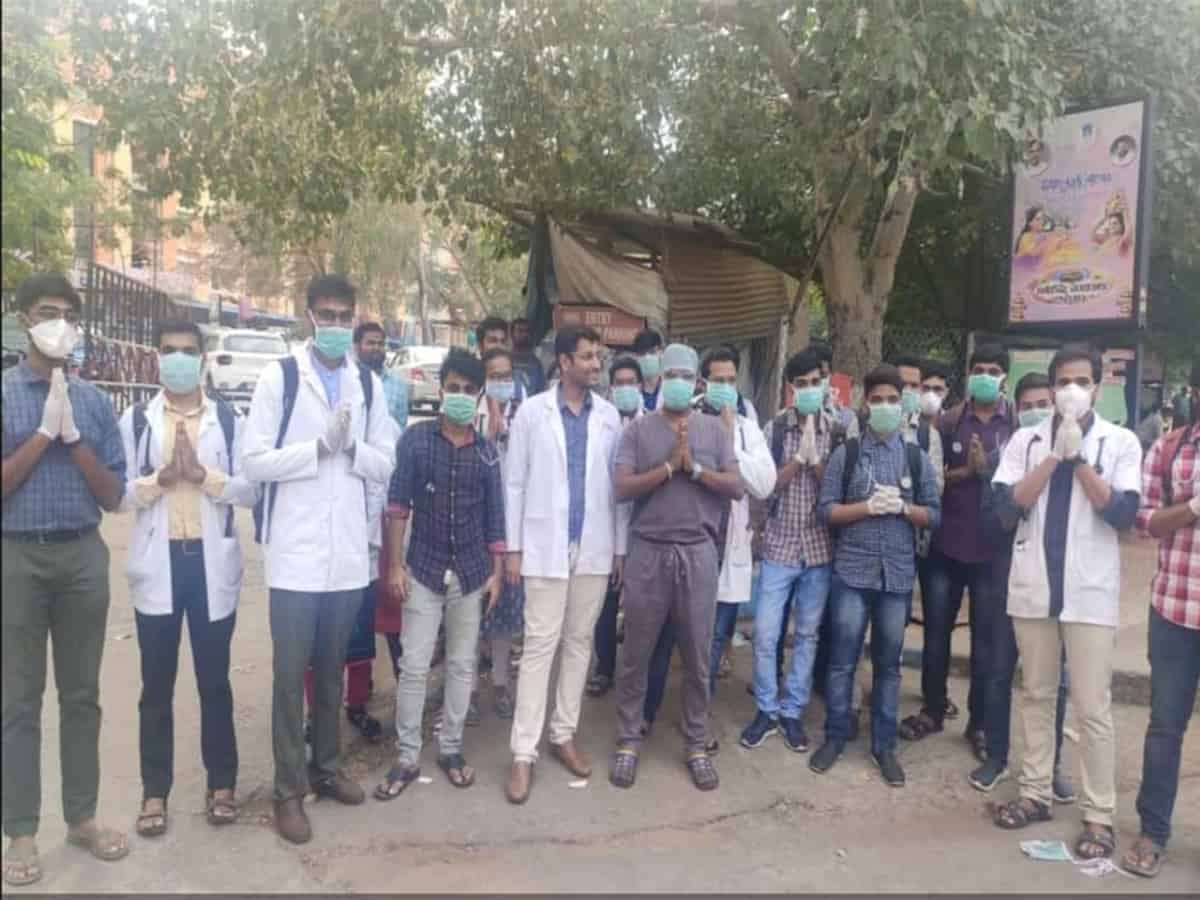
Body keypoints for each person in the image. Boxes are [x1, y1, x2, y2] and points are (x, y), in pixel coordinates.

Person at [241, 274, 396, 844]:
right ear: (308, 316)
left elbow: (385, 462)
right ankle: (288, 791)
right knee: (290, 677)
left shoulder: (368, 384)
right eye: (325, 315)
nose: (334, 325)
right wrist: (316, 449)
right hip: (296, 554)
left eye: (342, 316)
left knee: (333, 669)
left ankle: (326, 769)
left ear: (353, 318)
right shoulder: (280, 377)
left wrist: (350, 446)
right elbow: (254, 461)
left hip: (347, 554)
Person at [990, 344, 1142, 861]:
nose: (1071, 390)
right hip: (1034, 587)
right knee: (1036, 694)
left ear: (1098, 388)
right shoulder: (1026, 440)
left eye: (1082, 381)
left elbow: (1122, 514)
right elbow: (1004, 509)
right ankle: (1034, 792)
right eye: (1063, 381)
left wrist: (1078, 462)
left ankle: (1099, 815)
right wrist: (1055, 453)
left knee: (1093, 707)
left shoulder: (1120, 442)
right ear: (1052, 388)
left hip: (1088, 593)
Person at [2, 274, 128, 887]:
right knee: (17, 701)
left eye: (67, 315)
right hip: (17, 558)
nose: (58, 324)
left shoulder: (96, 402)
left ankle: (81, 817)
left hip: (82, 557)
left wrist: (74, 438)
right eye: (46, 312)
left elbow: (113, 494)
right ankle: (21, 831)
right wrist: (43, 433)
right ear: (24, 319)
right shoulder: (4, 395)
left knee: (82, 697)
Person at [118, 319, 259, 838]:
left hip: (208, 563)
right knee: (156, 686)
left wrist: (206, 478)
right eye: (168, 350)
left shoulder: (229, 419)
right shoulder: (137, 419)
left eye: (187, 351)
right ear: (157, 357)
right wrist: (159, 481)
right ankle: (154, 792)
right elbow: (117, 495)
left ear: (202, 358)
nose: (177, 359)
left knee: (214, 681)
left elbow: (252, 490)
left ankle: (222, 784)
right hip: (159, 563)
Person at [609, 343, 744, 792]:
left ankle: (697, 743)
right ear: (659, 378)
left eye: (687, 376)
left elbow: (736, 486)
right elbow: (621, 487)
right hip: (649, 552)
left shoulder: (715, 429)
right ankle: (629, 740)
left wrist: (697, 470)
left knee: (698, 657)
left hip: (697, 553)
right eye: (672, 375)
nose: (680, 383)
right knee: (637, 653)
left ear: (697, 382)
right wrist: (669, 467)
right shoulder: (639, 430)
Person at [503, 325, 624, 804]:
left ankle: (563, 734)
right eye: (588, 356)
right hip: (543, 545)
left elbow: (617, 489)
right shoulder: (532, 413)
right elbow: (514, 482)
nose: (596, 365)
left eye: (598, 357)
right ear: (564, 362)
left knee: (579, 644)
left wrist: (619, 548)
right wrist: (514, 549)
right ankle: (522, 752)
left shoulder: (609, 417)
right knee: (539, 647)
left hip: (593, 546)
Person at [376, 349, 504, 799]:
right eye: (454, 388)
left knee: (462, 665)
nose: (461, 396)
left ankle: (451, 749)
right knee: (413, 666)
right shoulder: (415, 442)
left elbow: (495, 520)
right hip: (423, 570)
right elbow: (397, 506)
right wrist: (395, 565)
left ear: (480, 395)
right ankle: (407, 756)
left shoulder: (487, 454)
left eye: (469, 390)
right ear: (440, 389)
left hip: (470, 573)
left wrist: (497, 574)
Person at [811, 364, 941, 787]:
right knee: (841, 661)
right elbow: (826, 511)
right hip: (852, 573)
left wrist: (904, 508)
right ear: (865, 404)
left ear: (902, 405)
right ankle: (835, 735)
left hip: (896, 577)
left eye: (892, 400)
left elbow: (934, 515)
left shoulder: (916, 458)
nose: (885, 406)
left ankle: (884, 746)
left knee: (888, 666)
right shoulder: (846, 454)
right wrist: (865, 508)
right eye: (877, 399)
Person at [642, 347, 776, 743]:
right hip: (685, 541)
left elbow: (763, 484)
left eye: (731, 380)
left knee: (710, 645)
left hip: (726, 548)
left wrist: (730, 442)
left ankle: (696, 724)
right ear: (702, 382)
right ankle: (645, 714)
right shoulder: (682, 419)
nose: (724, 387)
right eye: (718, 380)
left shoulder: (747, 427)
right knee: (664, 636)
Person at [900, 344, 1013, 759]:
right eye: (978, 369)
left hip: (992, 552)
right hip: (944, 547)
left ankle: (978, 724)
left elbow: (1020, 482)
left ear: (1004, 378)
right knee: (935, 635)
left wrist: (990, 470)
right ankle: (932, 708)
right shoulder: (948, 423)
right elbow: (932, 478)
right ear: (968, 375)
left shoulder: (1016, 425)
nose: (985, 376)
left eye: (993, 370)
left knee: (986, 643)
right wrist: (970, 471)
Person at [968, 373, 1072, 800]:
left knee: (1050, 682)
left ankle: (1050, 766)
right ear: (1016, 409)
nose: (1036, 411)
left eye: (1043, 403)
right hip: (1006, 578)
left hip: (1054, 582)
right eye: (1027, 405)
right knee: (998, 671)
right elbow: (995, 518)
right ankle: (996, 758)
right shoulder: (1007, 454)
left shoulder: (1074, 455)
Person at [1122, 363, 1198, 879]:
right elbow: (1145, 520)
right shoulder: (1170, 449)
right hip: (1175, 611)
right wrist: (1193, 505)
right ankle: (1153, 832)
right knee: (1166, 727)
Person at [741, 349, 833, 753]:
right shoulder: (774, 429)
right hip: (779, 544)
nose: (809, 389)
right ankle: (766, 709)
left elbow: (840, 490)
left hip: (819, 549)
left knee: (808, 634)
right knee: (765, 633)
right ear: (790, 388)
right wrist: (798, 459)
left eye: (815, 382)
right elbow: (763, 486)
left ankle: (793, 710)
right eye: (801, 384)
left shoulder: (840, 428)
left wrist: (818, 463)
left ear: (824, 383)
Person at [588, 356, 644, 697]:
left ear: (641, 386)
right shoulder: (602, 424)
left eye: (630, 383)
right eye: (619, 383)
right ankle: (604, 668)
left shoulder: (652, 424)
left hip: (644, 530)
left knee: (641, 607)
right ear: (610, 388)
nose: (625, 389)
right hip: (606, 527)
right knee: (606, 604)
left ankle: (635, 674)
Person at [354, 323, 407, 681]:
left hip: (384, 508)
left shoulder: (396, 391)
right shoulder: (345, 388)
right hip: (346, 514)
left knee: (387, 604)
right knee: (352, 613)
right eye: (369, 343)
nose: (376, 348)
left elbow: (394, 452)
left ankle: (403, 677)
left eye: (380, 343)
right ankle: (359, 687)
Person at [476, 347, 524, 718]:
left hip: (512, 528)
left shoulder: (527, 411)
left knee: (505, 614)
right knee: (471, 613)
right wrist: (489, 433)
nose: (502, 383)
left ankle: (500, 682)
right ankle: (467, 689)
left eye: (507, 376)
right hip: (474, 528)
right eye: (494, 377)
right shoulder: (470, 411)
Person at [510, 317, 547, 397]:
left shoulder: (536, 363)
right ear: (512, 334)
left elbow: (541, 391)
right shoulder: (505, 360)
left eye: (527, 331)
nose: (524, 334)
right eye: (520, 331)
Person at [632, 329, 664, 412]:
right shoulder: (630, 391)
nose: (647, 357)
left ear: (661, 353)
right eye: (642, 353)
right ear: (635, 357)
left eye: (652, 352)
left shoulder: (670, 389)